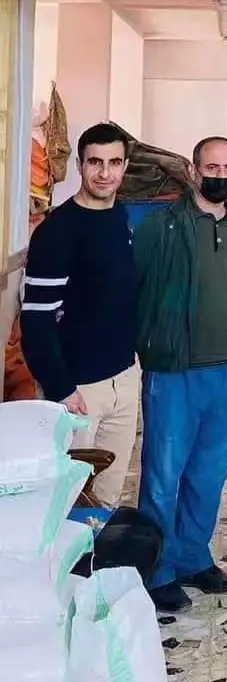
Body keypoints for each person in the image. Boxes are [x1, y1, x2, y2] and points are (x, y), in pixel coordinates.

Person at [134, 136, 227, 613]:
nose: (221, 175)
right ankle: (156, 569)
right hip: (174, 371)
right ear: (194, 171)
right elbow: (134, 288)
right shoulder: (162, 226)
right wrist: (146, 344)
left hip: (226, 372)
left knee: (209, 473)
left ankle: (193, 556)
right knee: (163, 475)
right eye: (212, 167)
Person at [21, 123, 139, 507]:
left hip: (123, 380)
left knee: (105, 499)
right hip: (78, 391)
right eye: (95, 162)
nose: (105, 173)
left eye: (114, 162)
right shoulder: (57, 232)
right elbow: (36, 320)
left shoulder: (119, 217)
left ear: (125, 166)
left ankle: (98, 548)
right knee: (68, 501)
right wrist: (61, 388)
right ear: (79, 165)